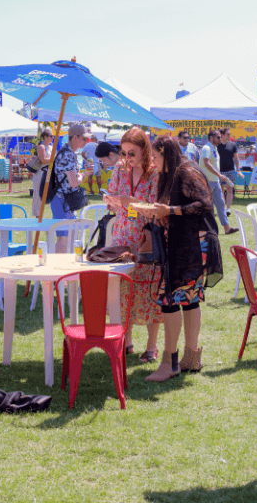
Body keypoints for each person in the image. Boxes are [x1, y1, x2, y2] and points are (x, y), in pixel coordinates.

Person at [145, 136, 223, 382]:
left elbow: (204, 204)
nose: (154, 162)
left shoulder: (187, 170)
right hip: (187, 244)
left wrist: (169, 211)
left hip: (195, 244)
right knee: (189, 300)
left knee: (169, 300)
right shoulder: (174, 173)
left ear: (166, 153)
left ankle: (171, 362)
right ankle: (191, 358)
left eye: (155, 157)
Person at [103, 128, 162, 362]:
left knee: (149, 290)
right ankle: (126, 341)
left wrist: (134, 203)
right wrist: (113, 203)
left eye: (132, 153)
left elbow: (157, 207)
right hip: (123, 234)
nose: (127, 158)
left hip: (146, 235)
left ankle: (151, 347)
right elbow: (117, 200)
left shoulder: (155, 173)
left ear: (144, 151)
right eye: (124, 152)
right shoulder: (120, 168)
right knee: (123, 290)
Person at [50, 124, 93, 253]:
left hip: (63, 201)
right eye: (84, 139)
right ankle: (57, 269)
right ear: (75, 138)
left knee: (68, 238)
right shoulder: (68, 155)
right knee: (64, 239)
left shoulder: (66, 152)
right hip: (62, 201)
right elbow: (74, 182)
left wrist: (81, 174)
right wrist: (85, 174)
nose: (86, 142)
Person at [199, 130, 238, 235]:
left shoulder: (214, 148)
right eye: (218, 137)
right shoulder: (206, 148)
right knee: (206, 206)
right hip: (207, 181)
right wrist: (219, 175)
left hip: (215, 181)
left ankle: (227, 228)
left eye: (220, 137)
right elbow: (206, 163)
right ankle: (203, 230)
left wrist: (218, 176)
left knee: (221, 205)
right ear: (211, 138)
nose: (220, 139)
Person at [218, 127, 244, 216]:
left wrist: (239, 170)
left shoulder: (232, 145)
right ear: (222, 135)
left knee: (229, 189)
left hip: (230, 171)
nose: (229, 135)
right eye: (228, 134)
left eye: (230, 134)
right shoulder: (216, 145)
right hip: (219, 172)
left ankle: (228, 209)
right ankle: (222, 208)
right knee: (220, 191)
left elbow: (236, 158)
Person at [32, 129, 54, 216]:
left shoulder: (51, 147)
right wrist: (54, 158)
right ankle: (38, 216)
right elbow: (43, 160)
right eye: (51, 136)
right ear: (45, 137)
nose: (52, 138)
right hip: (40, 174)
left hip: (49, 173)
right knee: (38, 196)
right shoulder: (41, 147)